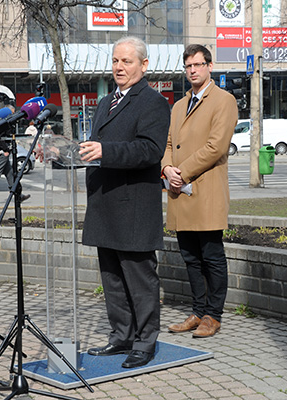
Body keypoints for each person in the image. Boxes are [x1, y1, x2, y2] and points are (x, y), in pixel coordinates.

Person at [78, 36, 170, 369]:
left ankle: (145, 341)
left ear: (144, 65)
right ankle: (121, 336)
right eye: (115, 60)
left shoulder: (153, 103)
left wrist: (106, 151)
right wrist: (68, 152)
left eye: (127, 61)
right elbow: (95, 145)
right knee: (112, 278)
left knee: (139, 279)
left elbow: (150, 150)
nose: (119, 67)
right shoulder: (105, 102)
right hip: (105, 202)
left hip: (133, 206)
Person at [162, 44, 238, 338]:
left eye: (197, 64)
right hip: (180, 192)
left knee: (211, 255)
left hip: (205, 191)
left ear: (209, 66)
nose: (192, 70)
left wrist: (182, 172)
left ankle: (213, 315)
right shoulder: (179, 105)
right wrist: (167, 169)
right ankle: (197, 310)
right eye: (188, 66)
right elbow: (168, 144)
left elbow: (216, 147)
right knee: (190, 256)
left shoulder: (223, 100)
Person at [0, 129, 31, 205]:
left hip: (0, 151)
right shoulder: (0, 124)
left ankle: (18, 195)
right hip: (2, 152)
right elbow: (0, 138)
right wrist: (6, 149)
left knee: (9, 173)